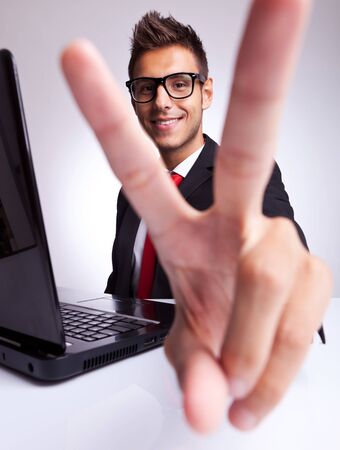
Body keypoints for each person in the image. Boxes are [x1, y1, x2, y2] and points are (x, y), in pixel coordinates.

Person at [61, 0, 331, 434]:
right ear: (133, 98)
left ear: (206, 91)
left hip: (208, 396)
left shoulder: (241, 179)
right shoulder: (134, 190)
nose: (162, 101)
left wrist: (290, 289)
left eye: (180, 83)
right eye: (146, 87)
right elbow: (123, 284)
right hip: (128, 390)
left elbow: (281, 259)